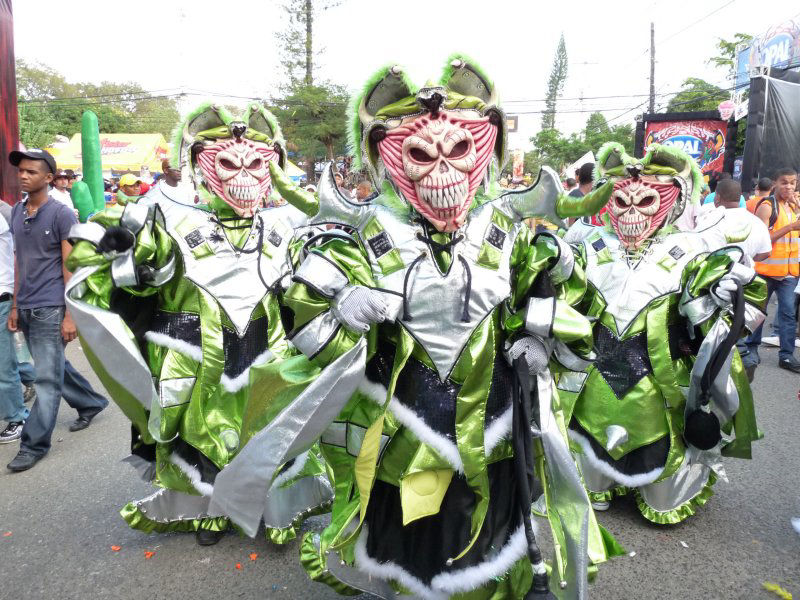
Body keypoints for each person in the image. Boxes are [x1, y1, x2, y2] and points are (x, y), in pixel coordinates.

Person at [257, 56, 621, 599]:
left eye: (458, 150)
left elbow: (568, 305)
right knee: (413, 539)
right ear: (388, 160)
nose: (442, 172)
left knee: (492, 532)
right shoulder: (359, 237)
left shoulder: (513, 232)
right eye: (421, 155)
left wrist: (539, 338)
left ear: (484, 151)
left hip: (496, 423)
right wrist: (342, 309)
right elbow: (307, 331)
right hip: (401, 426)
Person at [67, 103, 331, 546]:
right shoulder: (167, 215)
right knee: (201, 435)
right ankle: (213, 510)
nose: (244, 175)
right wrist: (129, 253)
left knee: (273, 428)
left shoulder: (290, 220)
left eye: (257, 163)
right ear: (200, 166)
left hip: (270, 345)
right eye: (229, 162)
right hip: (194, 349)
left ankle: (276, 508)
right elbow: (133, 271)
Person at [558, 142, 763, 524]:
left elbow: (737, 310)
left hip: (661, 369)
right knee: (593, 424)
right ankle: (597, 481)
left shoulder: (692, 248)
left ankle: (658, 488)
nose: (632, 213)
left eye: (646, 200)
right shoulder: (590, 243)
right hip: (597, 367)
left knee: (658, 439)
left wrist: (713, 298)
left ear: (673, 201)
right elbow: (568, 299)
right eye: (622, 202)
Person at [5, 148, 108, 472]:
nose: (23, 175)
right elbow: (20, 263)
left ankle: (33, 444)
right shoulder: (18, 213)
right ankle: (91, 402)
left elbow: (71, 265)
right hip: (28, 305)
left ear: (49, 178)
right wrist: (16, 305)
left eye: (31, 171)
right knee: (54, 365)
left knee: (47, 379)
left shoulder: (61, 214)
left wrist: (69, 314)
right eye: (21, 171)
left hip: (52, 305)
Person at [742, 167, 800, 373]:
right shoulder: (767, 206)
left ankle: (786, 356)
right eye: (784, 182)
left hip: (789, 274)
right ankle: (751, 349)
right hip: (766, 272)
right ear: (775, 183)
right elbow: (760, 240)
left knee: (788, 315)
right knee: (758, 313)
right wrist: (790, 227)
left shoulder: (794, 206)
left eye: (793, 183)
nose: (789, 186)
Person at [0, 199, 29, 443]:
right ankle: (33, 378)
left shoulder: (6, 213)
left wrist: (16, 305)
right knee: (10, 357)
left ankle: (17, 417)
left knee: (3, 363)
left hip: (3, 296)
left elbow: (20, 256)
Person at [695, 178, 771, 262]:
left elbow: (696, 247)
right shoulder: (757, 223)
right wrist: (744, 260)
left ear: (718, 198)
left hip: (715, 273)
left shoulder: (710, 220)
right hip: (745, 273)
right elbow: (766, 252)